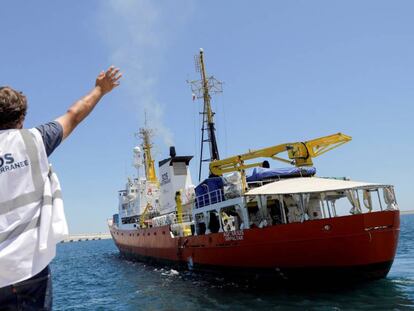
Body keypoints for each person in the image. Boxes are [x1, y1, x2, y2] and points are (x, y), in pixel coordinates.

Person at [0, 66, 122, 310]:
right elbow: (74, 115)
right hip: (29, 272)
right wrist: (100, 89)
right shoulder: (35, 140)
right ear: (21, 119)